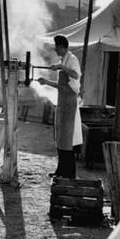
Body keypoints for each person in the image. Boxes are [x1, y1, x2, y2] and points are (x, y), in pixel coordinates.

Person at [37, 35, 82, 178]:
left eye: (56, 47)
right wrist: (46, 82)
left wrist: (62, 67)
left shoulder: (72, 59)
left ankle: (69, 173)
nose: (55, 50)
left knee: (67, 139)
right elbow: (61, 85)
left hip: (69, 103)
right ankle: (61, 170)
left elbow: (76, 75)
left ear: (62, 46)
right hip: (62, 102)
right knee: (60, 138)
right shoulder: (63, 60)